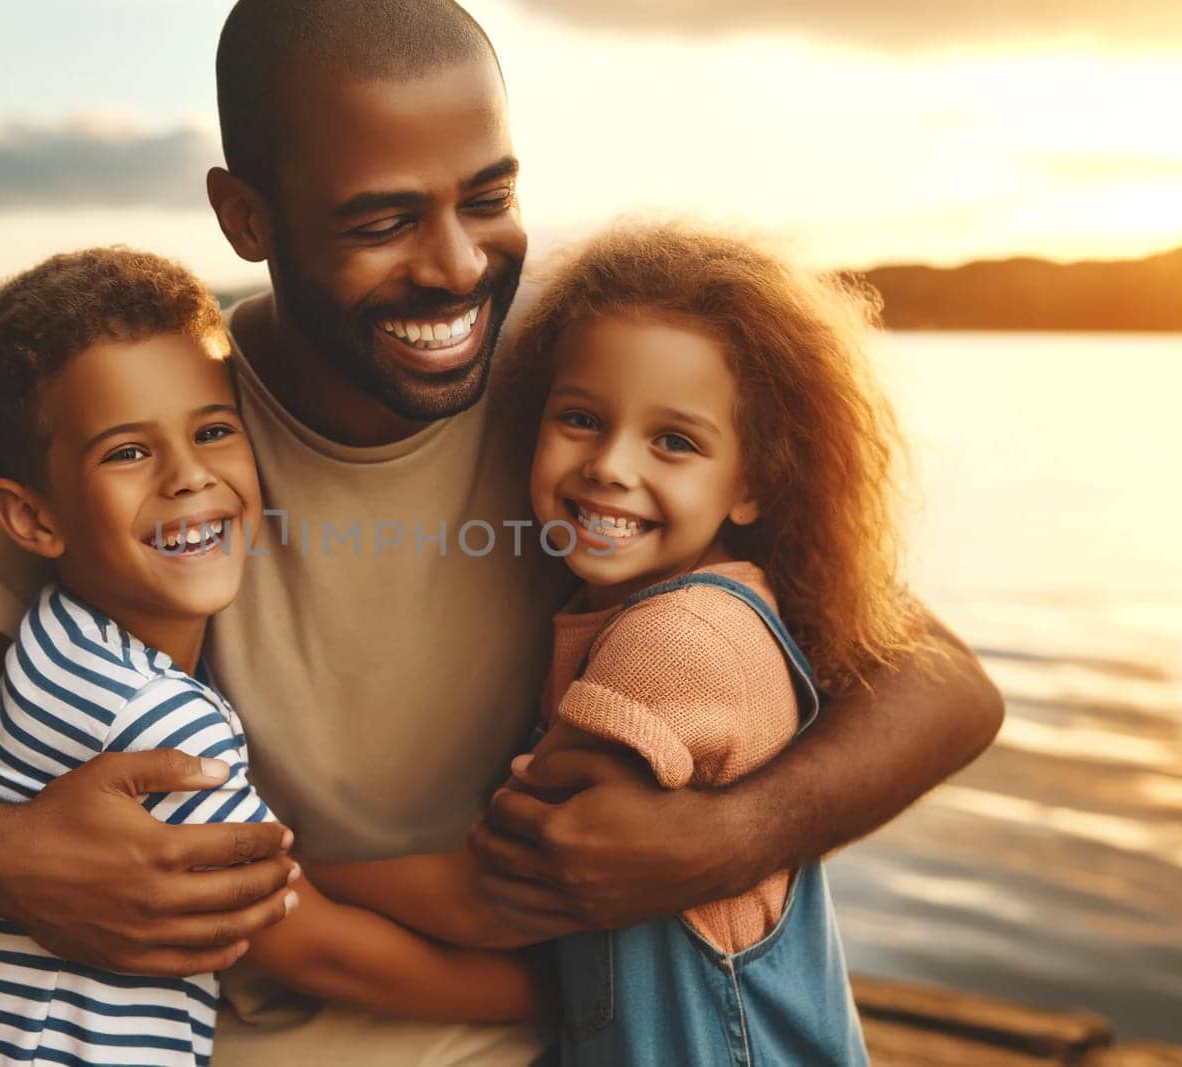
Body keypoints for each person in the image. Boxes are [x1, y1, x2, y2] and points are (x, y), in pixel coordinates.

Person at [0, 2, 1003, 1063]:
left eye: (492, 196)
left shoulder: (578, 407)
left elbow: (939, 682)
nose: (458, 266)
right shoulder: (176, 440)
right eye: (380, 221)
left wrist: (721, 839)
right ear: (245, 214)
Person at [306, 223, 929, 1063]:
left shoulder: (680, 641)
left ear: (749, 483)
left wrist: (288, 877)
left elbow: (491, 893)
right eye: (581, 419)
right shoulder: (652, 606)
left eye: (673, 441)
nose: (610, 465)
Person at [0, 246, 539, 1066]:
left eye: (211, 431)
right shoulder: (150, 718)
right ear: (29, 519)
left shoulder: (59, 638)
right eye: (127, 452)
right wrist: (544, 995)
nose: (188, 478)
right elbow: (313, 945)